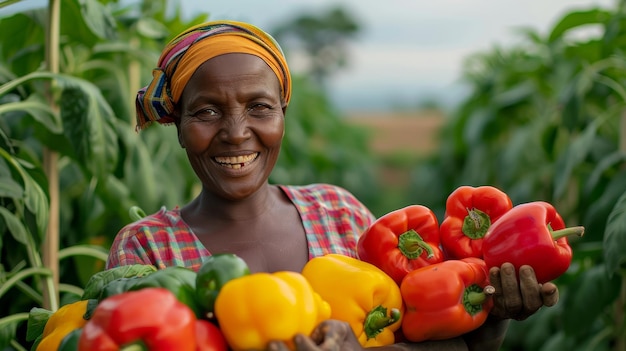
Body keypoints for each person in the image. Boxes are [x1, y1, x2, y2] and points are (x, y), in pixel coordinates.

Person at [106, 20, 559, 351]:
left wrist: (490, 321)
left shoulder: (338, 212)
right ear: (179, 126)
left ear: (283, 116)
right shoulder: (147, 249)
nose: (236, 132)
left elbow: (422, 338)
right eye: (206, 111)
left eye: (260, 107)